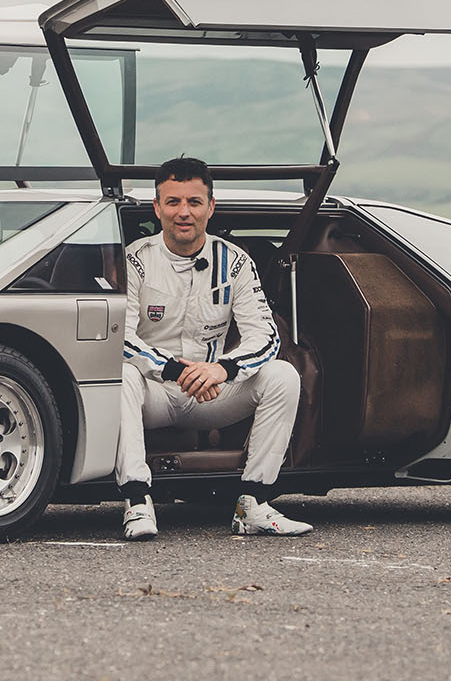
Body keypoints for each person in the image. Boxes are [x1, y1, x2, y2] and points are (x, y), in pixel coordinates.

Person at [115, 156, 313, 540]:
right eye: (172, 202)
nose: (183, 213)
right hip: (154, 392)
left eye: (193, 202)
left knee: (283, 375)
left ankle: (253, 505)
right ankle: (137, 503)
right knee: (120, 375)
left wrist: (221, 369)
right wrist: (174, 370)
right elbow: (122, 338)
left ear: (211, 207)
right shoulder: (136, 260)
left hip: (212, 393)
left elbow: (265, 336)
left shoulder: (235, 262)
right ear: (157, 208)